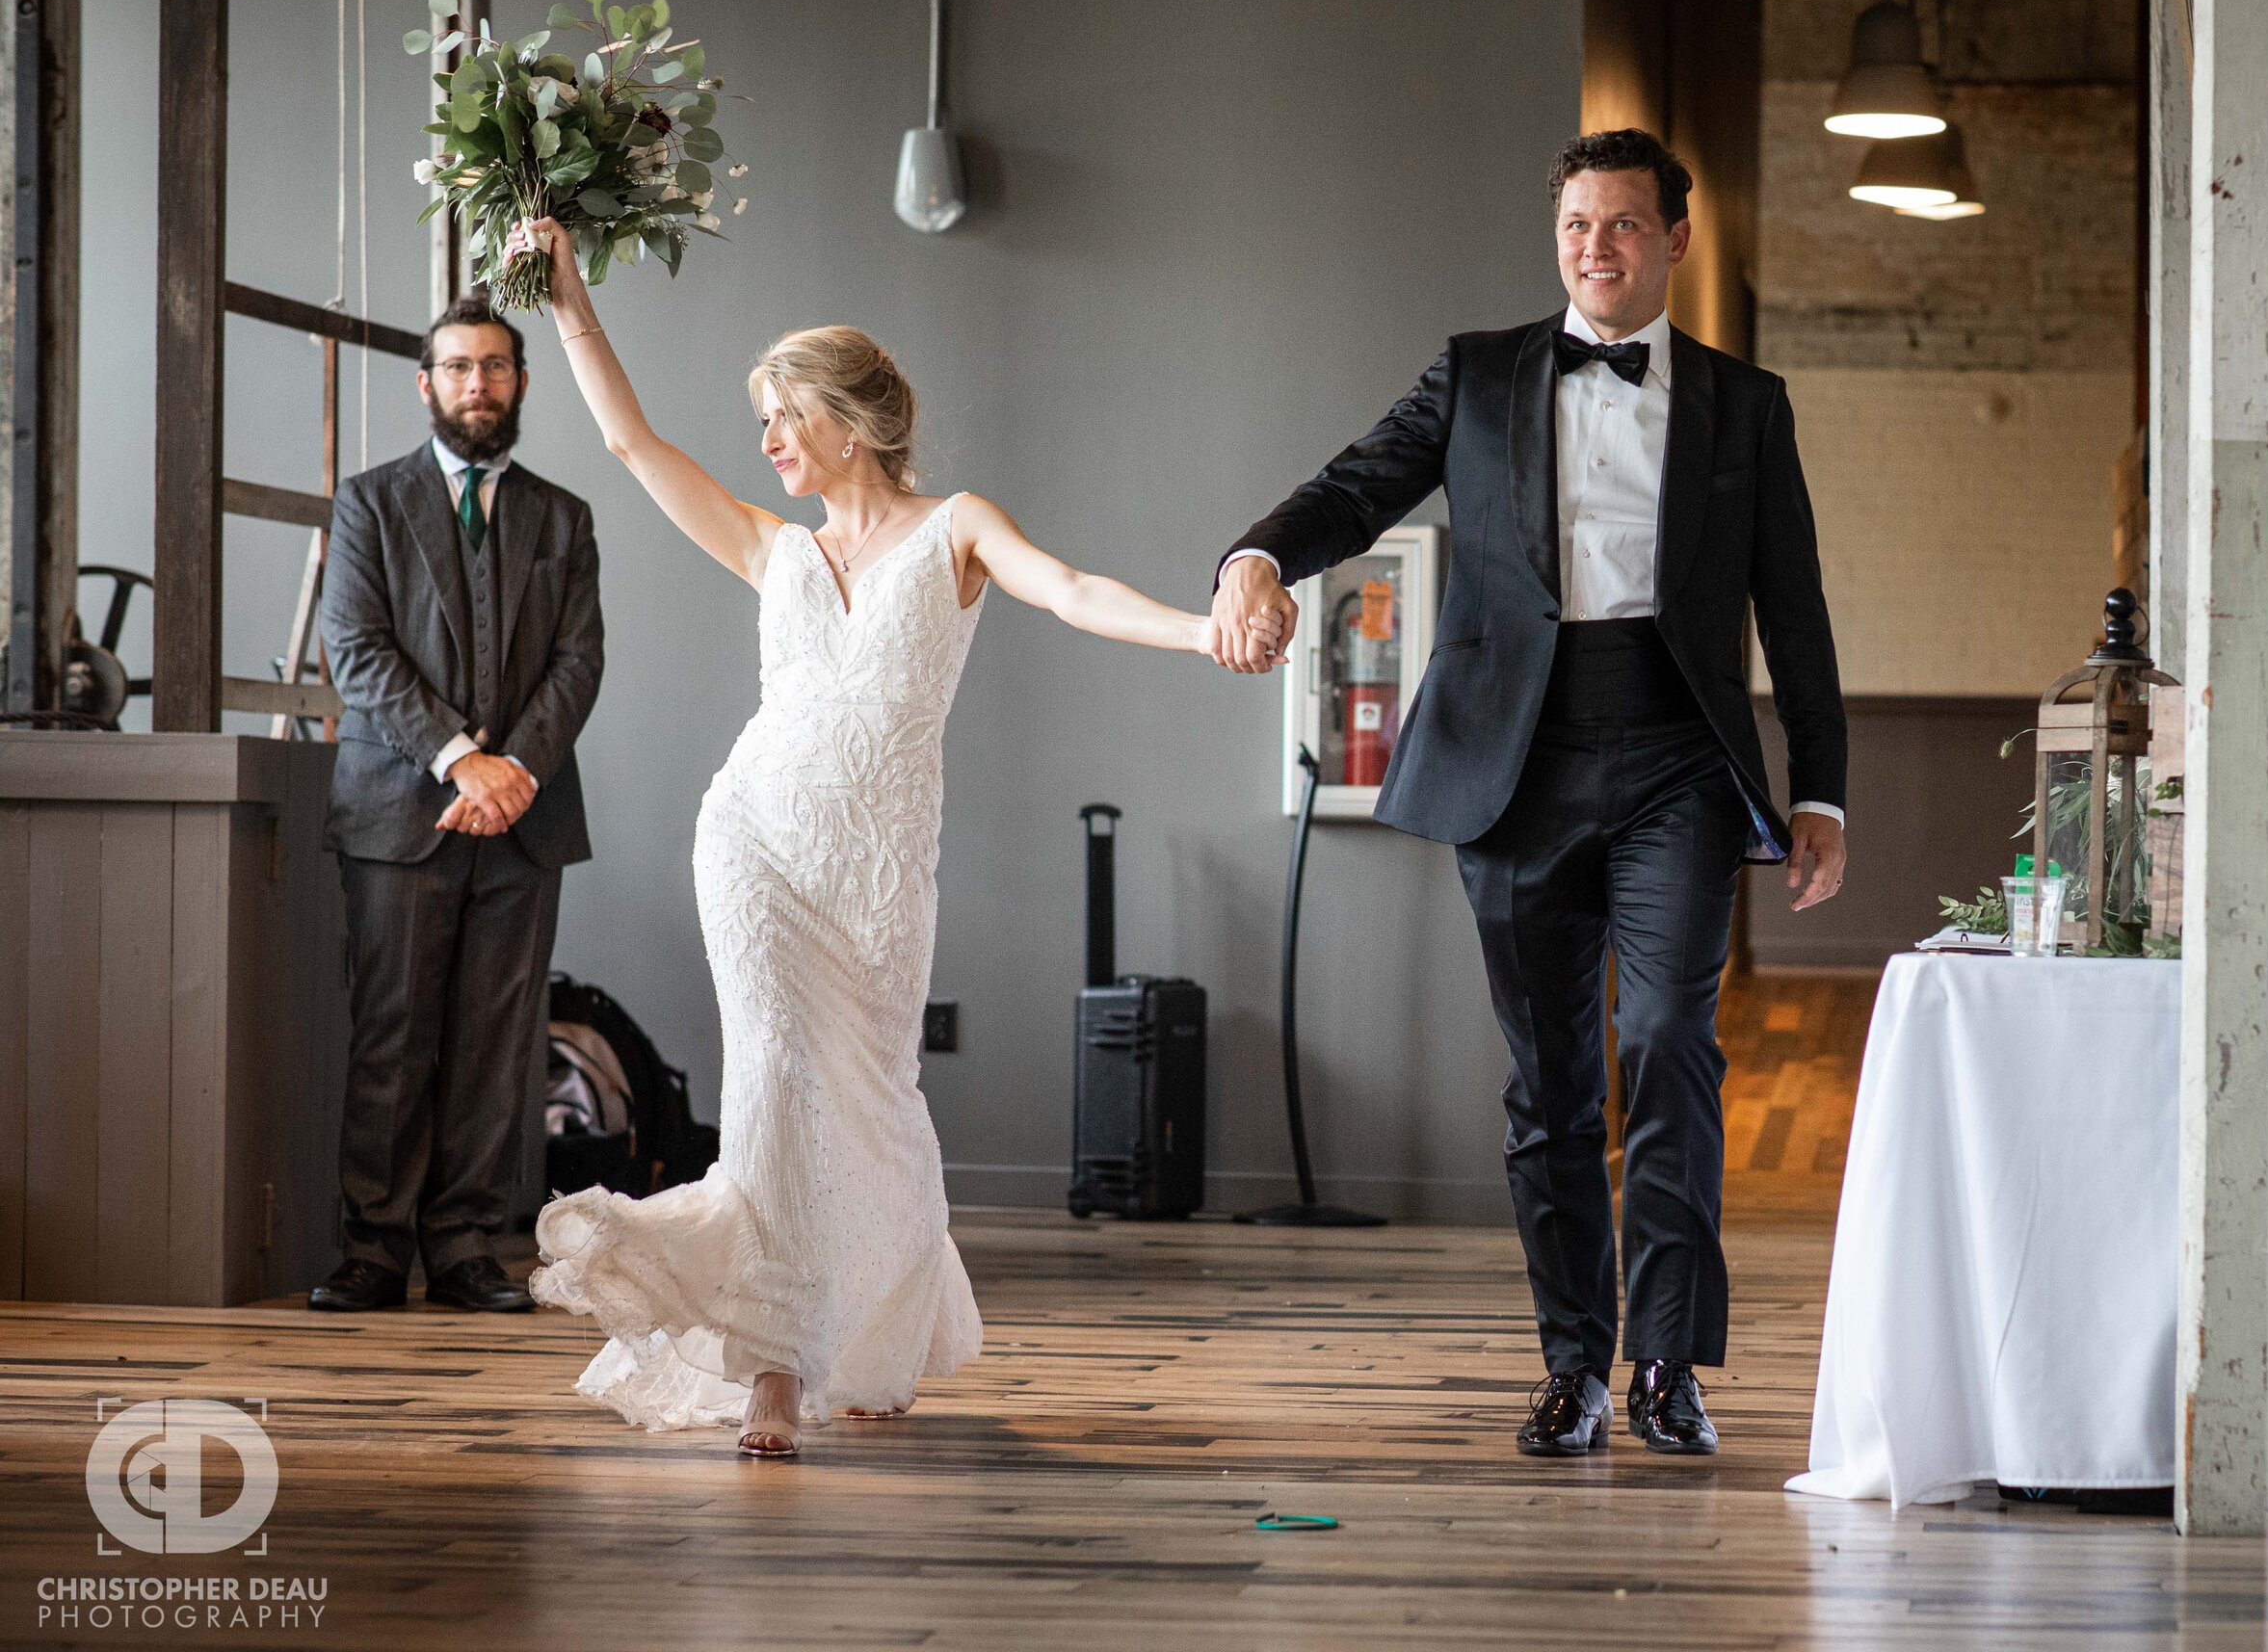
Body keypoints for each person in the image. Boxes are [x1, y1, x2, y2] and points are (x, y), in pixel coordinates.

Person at [511, 217, 1224, 1459]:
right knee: (773, 1080)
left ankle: (875, 1333)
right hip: (755, 845)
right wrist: (571, 296)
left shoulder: (956, 528)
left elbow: (1069, 589)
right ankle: (775, 1362)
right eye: (765, 422)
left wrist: (1198, 627)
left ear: (849, 421)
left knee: (876, 1099)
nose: (770, 441)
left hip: (880, 874)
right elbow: (630, 441)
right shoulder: (769, 544)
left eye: (785, 416)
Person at [1208, 128, 1848, 1457]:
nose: (1596, 248)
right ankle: (1578, 1365)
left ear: (1675, 240)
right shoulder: (1480, 375)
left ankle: (1668, 1361)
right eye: (1576, 226)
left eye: (1622, 225)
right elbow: (1356, 486)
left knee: (1667, 1041)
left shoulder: (1747, 404)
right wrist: (1258, 555)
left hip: (1677, 754)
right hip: (1516, 764)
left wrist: (1822, 792)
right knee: (1549, 1082)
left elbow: (1793, 608)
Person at [310, 294, 605, 1315]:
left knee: (497, 1038)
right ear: (426, 383)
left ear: (520, 380)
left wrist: (510, 768)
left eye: (494, 365)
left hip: (525, 817)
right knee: (392, 1033)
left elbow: (578, 661)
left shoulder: (563, 517)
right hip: (399, 816)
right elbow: (355, 649)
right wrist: (456, 760)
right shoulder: (368, 504)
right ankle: (375, 1249)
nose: (476, 383)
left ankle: (474, 1244)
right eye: (457, 366)